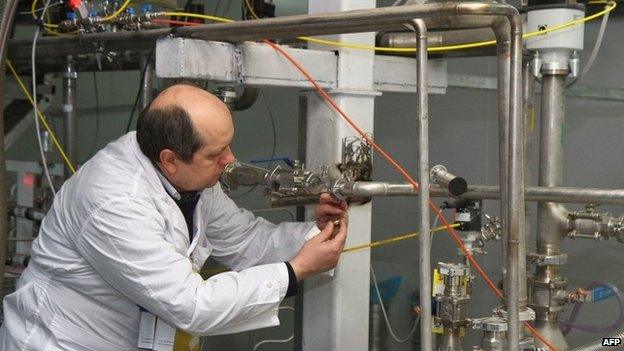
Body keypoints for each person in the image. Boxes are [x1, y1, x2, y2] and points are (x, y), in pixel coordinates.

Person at [0, 84, 348, 350]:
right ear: (170, 159)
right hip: (64, 343)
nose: (231, 160)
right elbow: (191, 305)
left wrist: (313, 237)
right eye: (216, 153)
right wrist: (297, 269)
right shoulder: (114, 202)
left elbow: (245, 240)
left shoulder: (189, 175)